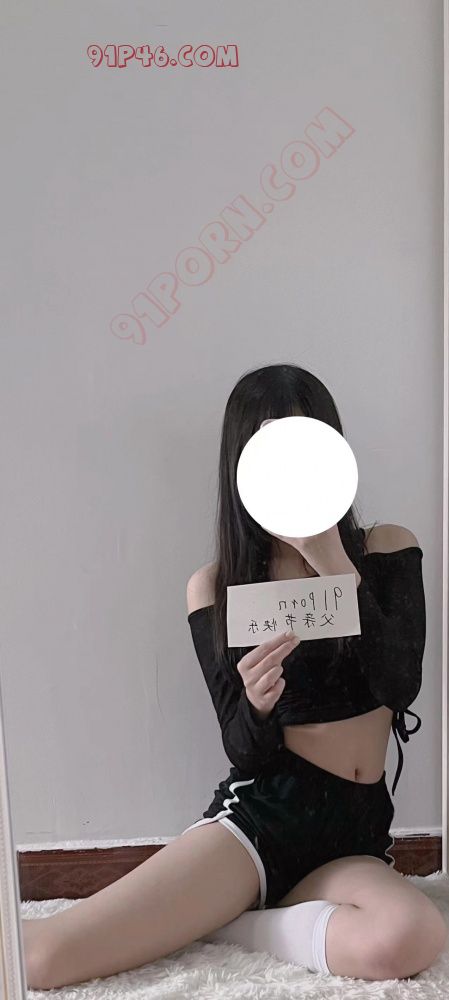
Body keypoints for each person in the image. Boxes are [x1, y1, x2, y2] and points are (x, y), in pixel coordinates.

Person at [22, 363, 447, 990]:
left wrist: (333, 563)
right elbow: (242, 747)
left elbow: (400, 684)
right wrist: (255, 703)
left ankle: (228, 922)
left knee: (408, 937)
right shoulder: (219, 588)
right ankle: (221, 901)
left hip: (356, 833)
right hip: (263, 820)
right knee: (43, 958)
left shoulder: (386, 548)